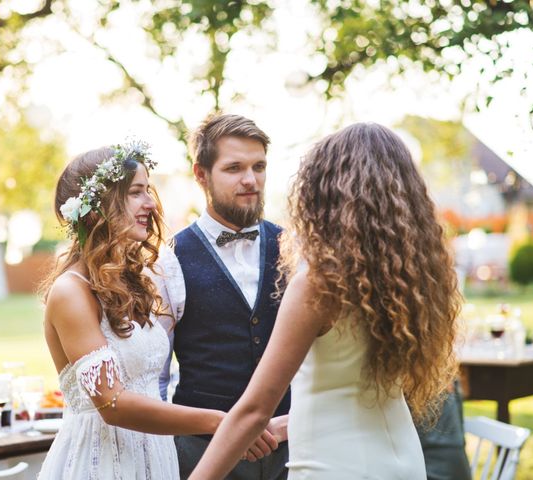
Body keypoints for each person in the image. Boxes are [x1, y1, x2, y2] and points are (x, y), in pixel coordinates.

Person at [190, 122, 462, 479]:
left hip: (334, 466)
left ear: (325, 191)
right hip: (404, 462)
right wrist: (293, 421)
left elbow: (254, 410)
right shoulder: (412, 277)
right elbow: (357, 388)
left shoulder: (319, 284)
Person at [37, 139, 276, 479]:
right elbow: (112, 404)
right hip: (103, 462)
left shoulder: (134, 280)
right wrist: (221, 422)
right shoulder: (70, 292)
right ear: (99, 205)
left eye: (148, 190)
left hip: (155, 458)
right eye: (136, 192)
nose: (150, 203)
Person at [154, 114, 290, 479]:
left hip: (292, 451)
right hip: (203, 453)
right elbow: (156, 375)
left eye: (259, 166)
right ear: (201, 174)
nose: (251, 180)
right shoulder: (168, 258)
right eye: (234, 168)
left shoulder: (295, 247)